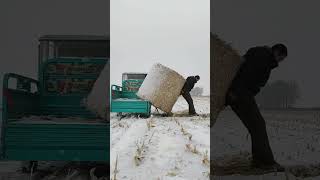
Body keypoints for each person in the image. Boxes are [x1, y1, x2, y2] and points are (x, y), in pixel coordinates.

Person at [225, 43, 288, 170]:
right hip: (241, 93)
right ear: (276, 52)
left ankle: (259, 161)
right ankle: (266, 162)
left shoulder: (262, 55)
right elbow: (245, 72)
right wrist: (235, 91)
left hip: (241, 93)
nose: (280, 61)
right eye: (281, 58)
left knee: (256, 127)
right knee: (258, 125)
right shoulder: (263, 57)